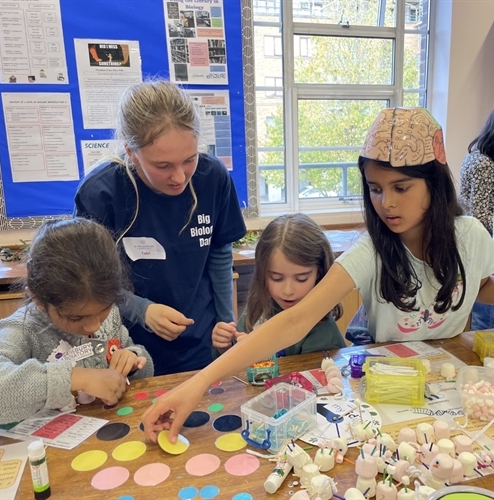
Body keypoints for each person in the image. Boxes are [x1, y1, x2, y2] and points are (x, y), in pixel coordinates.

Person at [141, 107, 494, 443]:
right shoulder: (371, 250)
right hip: (390, 391)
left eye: (401, 188)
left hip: (453, 392)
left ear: (434, 183)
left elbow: (479, 288)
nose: (386, 203)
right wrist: (197, 384)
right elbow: (297, 320)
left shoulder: (473, 236)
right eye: (375, 188)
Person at [74, 79, 246, 376]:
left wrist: (225, 323)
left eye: (189, 160)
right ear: (131, 152)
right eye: (163, 166)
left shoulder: (212, 176)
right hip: (128, 350)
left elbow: (219, 255)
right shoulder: (102, 193)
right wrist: (142, 310)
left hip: (200, 343)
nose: (179, 177)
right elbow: (92, 282)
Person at [0, 218, 154, 424]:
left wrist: (133, 361)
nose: (94, 326)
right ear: (38, 300)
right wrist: (76, 378)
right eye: (75, 318)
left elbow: (144, 368)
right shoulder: (23, 328)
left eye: (104, 309)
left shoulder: (109, 315)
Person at [212, 213, 345, 357]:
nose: (288, 291)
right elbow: (234, 364)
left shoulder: (323, 334)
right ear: (263, 273)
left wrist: (255, 356)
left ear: (319, 273)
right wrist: (225, 347)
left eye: (301, 279)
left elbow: (310, 377)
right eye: (276, 278)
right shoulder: (259, 308)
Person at [459, 109, 494, 330]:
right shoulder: (486, 165)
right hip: (484, 249)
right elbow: (481, 217)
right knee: (486, 323)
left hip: (475, 246)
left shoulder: (473, 156)